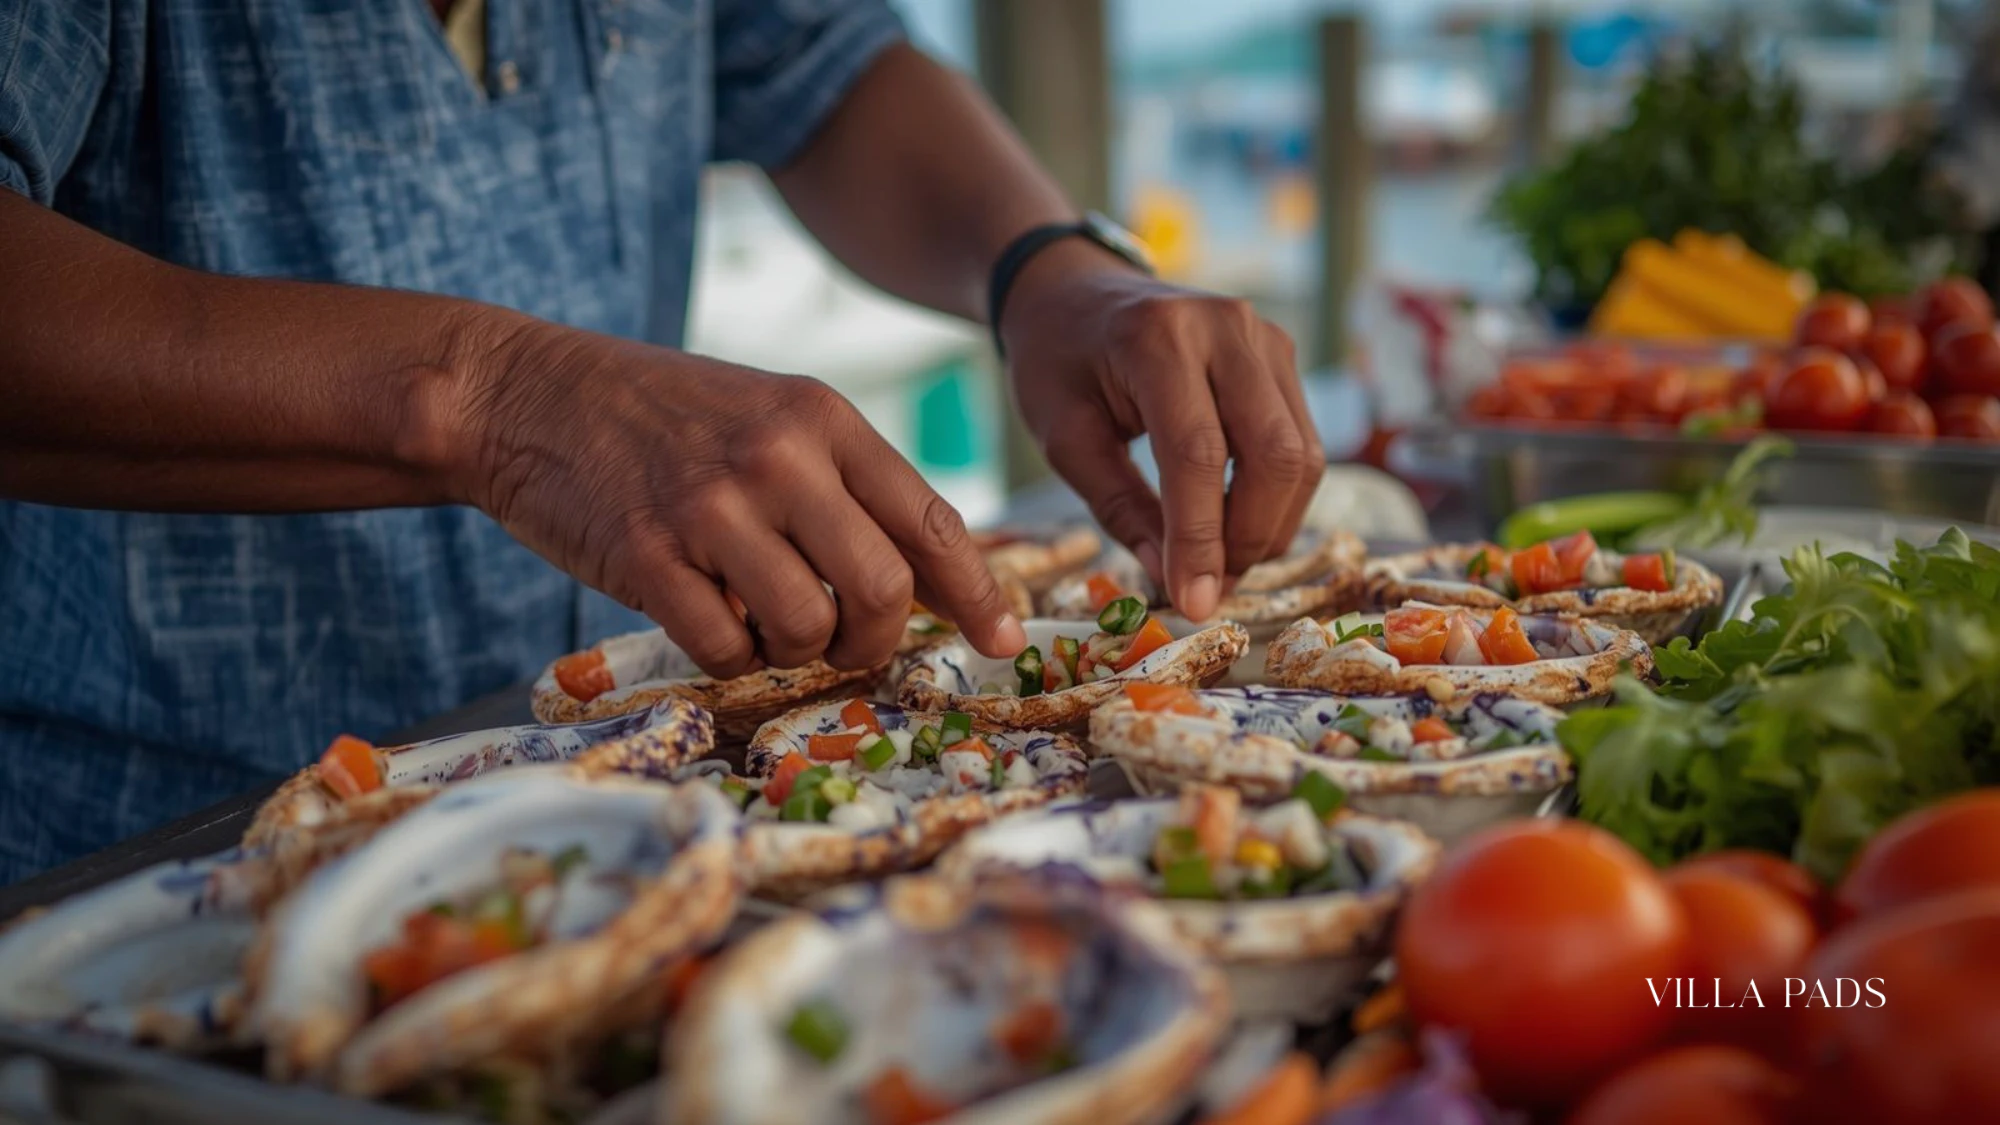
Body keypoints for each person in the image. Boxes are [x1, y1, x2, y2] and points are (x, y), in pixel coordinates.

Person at [0, 0, 1322, 883]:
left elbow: (818, 61)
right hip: (130, 860)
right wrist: (499, 399)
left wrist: (1048, 270)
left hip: (615, 806)